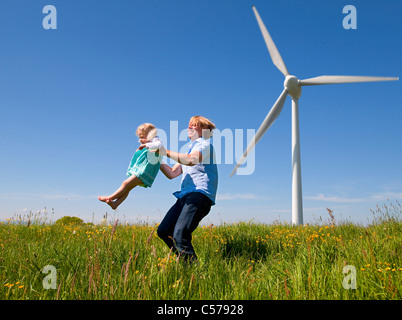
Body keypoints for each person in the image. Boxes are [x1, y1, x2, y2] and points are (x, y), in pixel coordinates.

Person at [157, 116, 218, 263]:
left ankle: (193, 272)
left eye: (194, 125)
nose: (189, 128)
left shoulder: (204, 145)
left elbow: (191, 160)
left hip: (199, 195)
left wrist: (164, 151)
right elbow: (172, 173)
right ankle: (184, 260)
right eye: (189, 125)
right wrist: (155, 157)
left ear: (204, 130)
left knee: (180, 233)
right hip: (185, 196)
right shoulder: (189, 149)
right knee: (164, 231)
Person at [98, 123, 162, 210]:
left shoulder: (155, 141)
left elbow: (158, 144)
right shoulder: (148, 144)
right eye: (140, 137)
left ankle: (110, 198)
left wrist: (146, 145)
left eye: (143, 137)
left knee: (125, 184)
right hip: (142, 170)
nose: (141, 140)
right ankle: (115, 204)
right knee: (128, 188)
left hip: (144, 171)